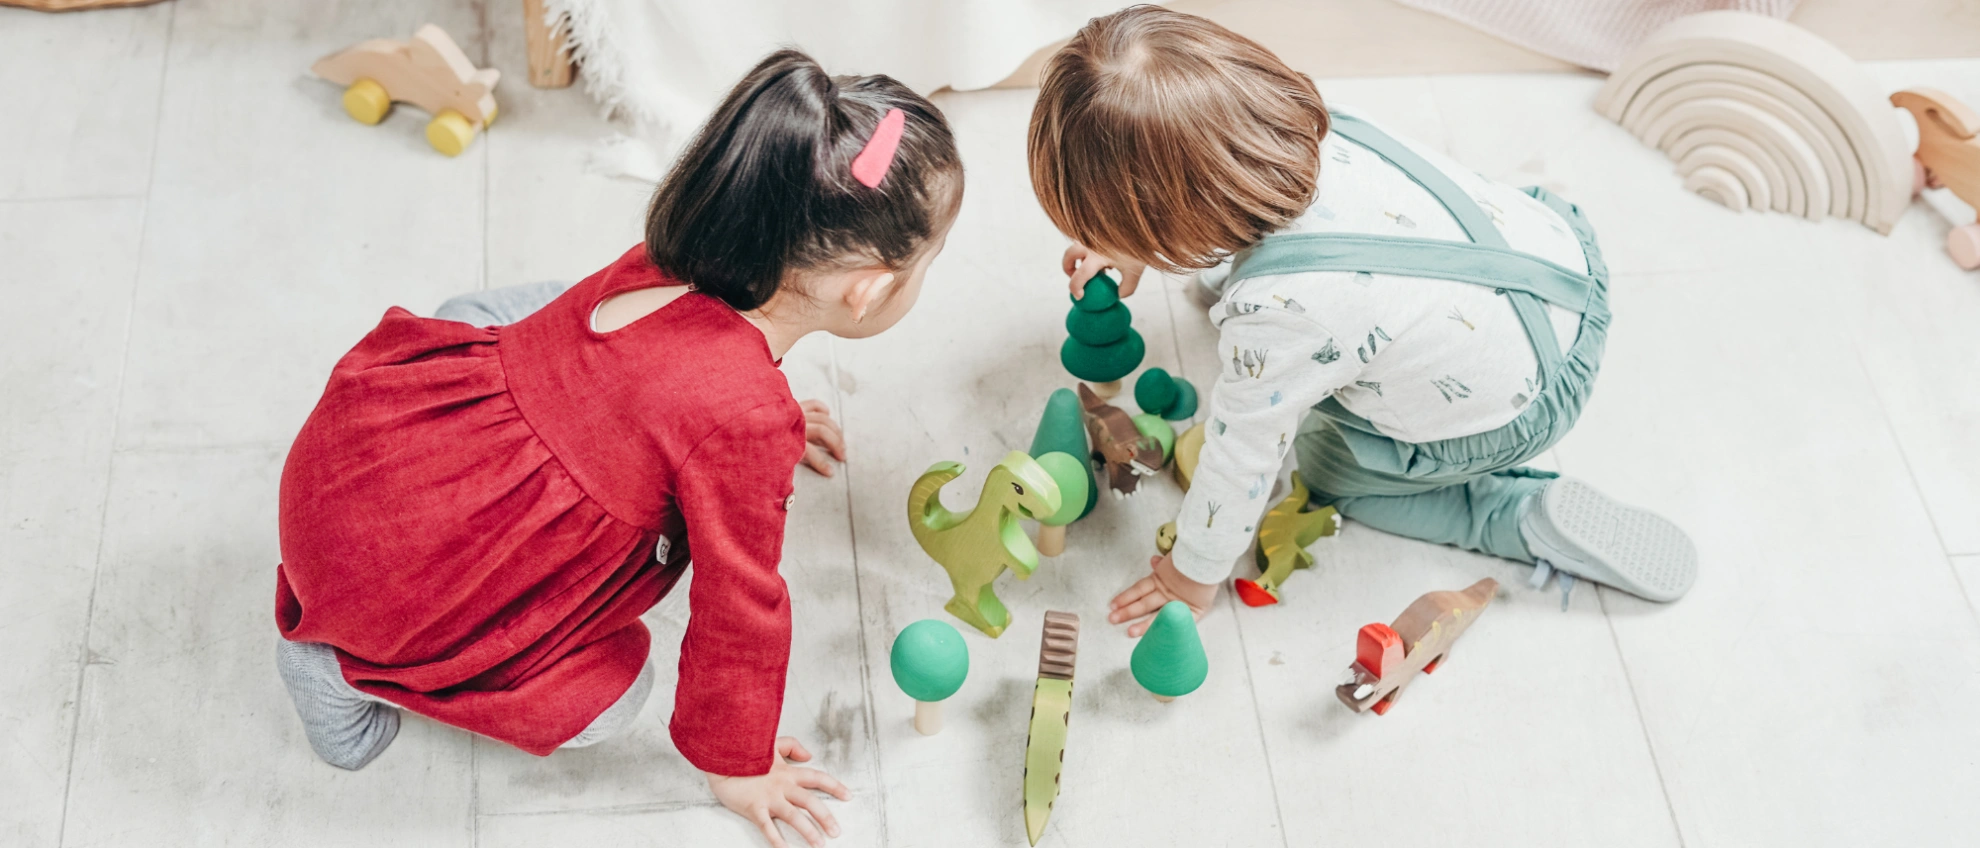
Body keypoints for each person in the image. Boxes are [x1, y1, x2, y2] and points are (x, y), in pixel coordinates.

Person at [273, 50, 962, 848]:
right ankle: (342, 669)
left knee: (504, 311)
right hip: (403, 591)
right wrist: (736, 765)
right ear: (869, 287)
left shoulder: (672, 258)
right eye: (926, 266)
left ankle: (349, 616)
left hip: (364, 459)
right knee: (614, 695)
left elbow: (668, 387)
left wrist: (756, 419)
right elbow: (741, 608)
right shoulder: (745, 419)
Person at [1024, 7, 1697, 635]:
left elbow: (1241, 460)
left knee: (1326, 472)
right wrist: (1135, 236)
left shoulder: (1282, 313)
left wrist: (1191, 577)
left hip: (1519, 408)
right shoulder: (1319, 124)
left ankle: (1508, 515)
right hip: (1560, 274)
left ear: (1164, 220)